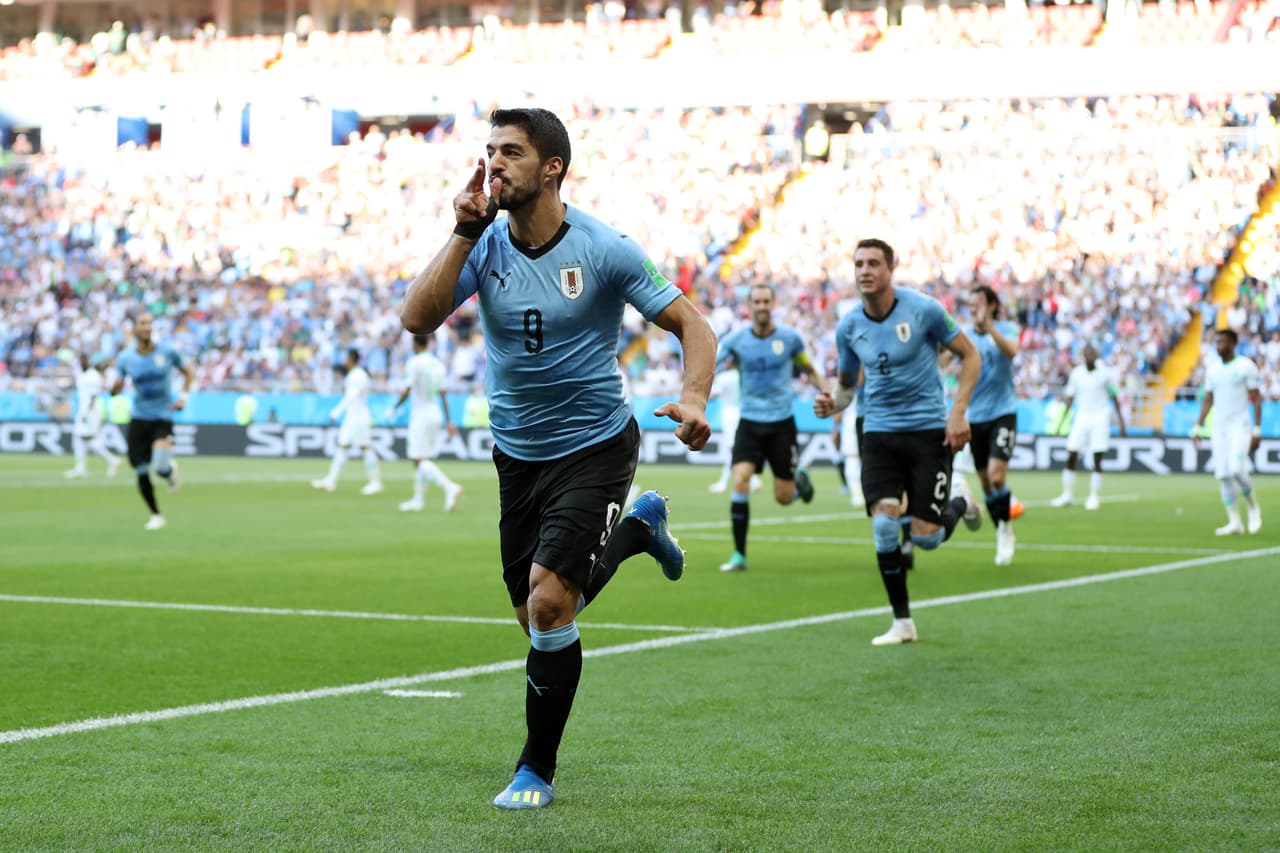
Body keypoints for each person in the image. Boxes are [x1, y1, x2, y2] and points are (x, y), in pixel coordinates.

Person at [398, 107, 715, 810]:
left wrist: (694, 398)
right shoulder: (482, 244)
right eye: (488, 151)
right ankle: (637, 531)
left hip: (596, 444)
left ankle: (535, 768)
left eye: (509, 152)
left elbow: (692, 324)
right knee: (535, 613)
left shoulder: (605, 248)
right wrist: (462, 232)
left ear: (551, 168)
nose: (493, 164)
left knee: (548, 604)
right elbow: (416, 318)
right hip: (517, 454)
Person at [814, 238, 982, 646]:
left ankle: (960, 501)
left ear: (891, 267)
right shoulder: (850, 326)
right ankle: (902, 622)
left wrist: (957, 412)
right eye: (858, 264)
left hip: (927, 432)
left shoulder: (923, 310)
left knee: (926, 537)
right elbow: (847, 387)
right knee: (885, 526)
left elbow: (971, 356)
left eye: (874, 263)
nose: (865, 271)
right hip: (879, 433)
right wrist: (832, 404)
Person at [714, 283, 826, 573]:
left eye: (766, 301)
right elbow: (711, 363)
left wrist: (826, 392)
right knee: (741, 479)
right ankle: (739, 554)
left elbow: (809, 369)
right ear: (749, 306)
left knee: (784, 498)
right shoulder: (737, 341)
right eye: (757, 302)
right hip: (749, 422)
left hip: (781, 423)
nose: (762, 306)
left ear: (773, 304)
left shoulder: (790, 339)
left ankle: (799, 483)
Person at [110, 313, 193, 530]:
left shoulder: (167, 351)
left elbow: (188, 371)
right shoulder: (126, 358)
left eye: (149, 324)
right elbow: (116, 387)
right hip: (139, 418)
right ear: (134, 330)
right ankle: (156, 514)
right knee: (140, 470)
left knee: (160, 466)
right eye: (142, 324)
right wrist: (114, 390)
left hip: (162, 416)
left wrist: (183, 397)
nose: (147, 328)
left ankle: (169, 472)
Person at [964, 285, 1020, 565]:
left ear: (993, 306)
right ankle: (1001, 525)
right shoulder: (964, 335)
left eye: (979, 303)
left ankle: (1005, 530)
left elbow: (1011, 352)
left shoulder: (1007, 328)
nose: (974, 308)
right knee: (986, 484)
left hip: (1003, 412)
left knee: (997, 476)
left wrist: (990, 328)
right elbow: (945, 358)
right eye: (971, 304)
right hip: (975, 417)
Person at [1193, 328, 1263, 535]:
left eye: (1222, 342)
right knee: (1223, 474)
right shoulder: (1213, 369)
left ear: (1233, 344)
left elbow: (1257, 398)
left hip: (1239, 426)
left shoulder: (1245, 367)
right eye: (1216, 342)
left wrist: (1257, 431)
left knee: (1235, 468)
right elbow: (1208, 399)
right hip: (1219, 428)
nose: (1218, 345)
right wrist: (1198, 426)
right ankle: (1235, 522)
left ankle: (1253, 506)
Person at [387, 333, 464, 513]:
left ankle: (449, 487)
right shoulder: (438, 364)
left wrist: (394, 408)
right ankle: (418, 500)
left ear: (415, 344)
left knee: (417, 459)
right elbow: (443, 394)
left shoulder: (414, 363)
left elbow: (408, 389)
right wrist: (449, 421)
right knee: (425, 459)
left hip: (421, 415)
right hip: (435, 414)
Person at [1049, 343, 1126, 510]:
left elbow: (1114, 398)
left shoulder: (1105, 374)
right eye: (1088, 354)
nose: (1091, 356)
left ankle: (1094, 496)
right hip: (1082, 415)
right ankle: (1067, 494)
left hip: (1100, 416)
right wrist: (1061, 424)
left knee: (1097, 456)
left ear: (1097, 355)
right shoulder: (1077, 374)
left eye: (1093, 354)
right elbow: (1070, 398)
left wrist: (1122, 423)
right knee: (1071, 453)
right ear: (1084, 356)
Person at [311, 348, 383, 495]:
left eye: (346, 358)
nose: (344, 361)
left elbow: (351, 396)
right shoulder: (354, 375)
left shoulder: (358, 376)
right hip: (352, 416)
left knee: (365, 447)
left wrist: (336, 412)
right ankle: (331, 480)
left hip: (359, 417)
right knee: (342, 446)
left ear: (351, 359)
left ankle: (376, 482)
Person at [65, 352, 121, 479]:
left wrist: (85, 413)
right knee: (81, 438)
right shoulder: (89, 376)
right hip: (87, 410)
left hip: (90, 411)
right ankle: (81, 467)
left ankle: (111, 460)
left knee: (88, 438)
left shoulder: (92, 376)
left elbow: (92, 396)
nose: (83, 363)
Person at [707, 366, 760, 495]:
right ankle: (753, 480)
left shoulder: (725, 377)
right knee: (739, 448)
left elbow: (714, 394)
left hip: (729, 414)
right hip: (743, 413)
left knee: (732, 449)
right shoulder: (745, 375)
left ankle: (724, 483)